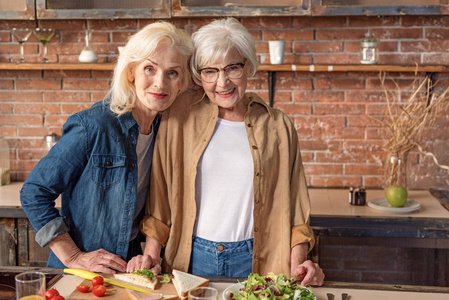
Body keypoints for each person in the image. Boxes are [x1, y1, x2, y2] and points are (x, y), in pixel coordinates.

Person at [130, 17, 324, 285]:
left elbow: (295, 211)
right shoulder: (179, 118)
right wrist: (150, 258)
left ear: (248, 66)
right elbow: (161, 197)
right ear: (199, 75)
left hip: (259, 259)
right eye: (209, 71)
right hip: (191, 258)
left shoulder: (279, 126)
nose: (222, 83)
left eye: (232, 68)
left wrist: (299, 264)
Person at [20, 21, 194, 274]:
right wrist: (73, 256)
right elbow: (34, 192)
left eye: (172, 73)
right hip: (82, 273)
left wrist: (146, 255)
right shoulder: (94, 125)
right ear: (132, 72)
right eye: (149, 69)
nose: (160, 83)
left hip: (127, 270)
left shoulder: (164, 131)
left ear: (181, 82)